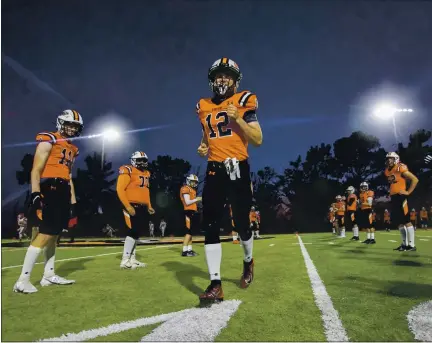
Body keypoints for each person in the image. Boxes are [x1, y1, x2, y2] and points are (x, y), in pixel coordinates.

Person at [196, 57, 263, 304]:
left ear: (235, 80)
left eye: (227, 75)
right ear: (212, 79)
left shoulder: (244, 100)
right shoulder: (202, 105)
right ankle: (215, 284)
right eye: (218, 75)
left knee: (243, 223)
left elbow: (257, 139)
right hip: (214, 169)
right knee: (210, 224)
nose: (222, 79)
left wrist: (239, 119)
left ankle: (248, 262)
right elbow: (206, 133)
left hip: (238, 167)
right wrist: (203, 146)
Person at [13, 110, 82, 293]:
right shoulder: (49, 138)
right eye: (69, 124)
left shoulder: (73, 149)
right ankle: (23, 280)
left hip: (63, 190)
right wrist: (36, 193)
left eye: (75, 126)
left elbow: (68, 176)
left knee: (55, 234)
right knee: (45, 233)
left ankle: (48, 275)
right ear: (60, 123)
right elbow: (36, 169)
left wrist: (73, 202)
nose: (72, 128)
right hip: (49, 188)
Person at [116, 151, 155, 269]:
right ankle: (125, 260)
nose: (142, 163)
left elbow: (146, 191)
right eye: (139, 160)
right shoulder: (128, 169)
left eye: (144, 160)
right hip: (131, 205)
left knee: (137, 233)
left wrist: (149, 205)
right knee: (132, 232)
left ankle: (132, 259)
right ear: (133, 160)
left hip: (142, 206)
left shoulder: (147, 173)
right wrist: (127, 206)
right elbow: (120, 189)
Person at [384, 152, 419, 251]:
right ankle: (404, 244)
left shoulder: (400, 167)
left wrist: (408, 192)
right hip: (394, 197)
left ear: (396, 159)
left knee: (406, 220)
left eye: (391, 158)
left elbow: (415, 179)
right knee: (399, 222)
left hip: (401, 197)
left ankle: (411, 245)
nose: (388, 160)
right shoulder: (387, 171)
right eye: (387, 159)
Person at [180, 174, 201, 256]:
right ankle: (184, 251)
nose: (194, 183)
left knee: (191, 232)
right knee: (188, 232)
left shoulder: (192, 189)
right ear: (188, 181)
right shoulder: (185, 188)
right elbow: (187, 202)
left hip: (192, 211)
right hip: (188, 211)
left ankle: (189, 249)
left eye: (195, 182)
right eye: (193, 182)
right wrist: (197, 199)